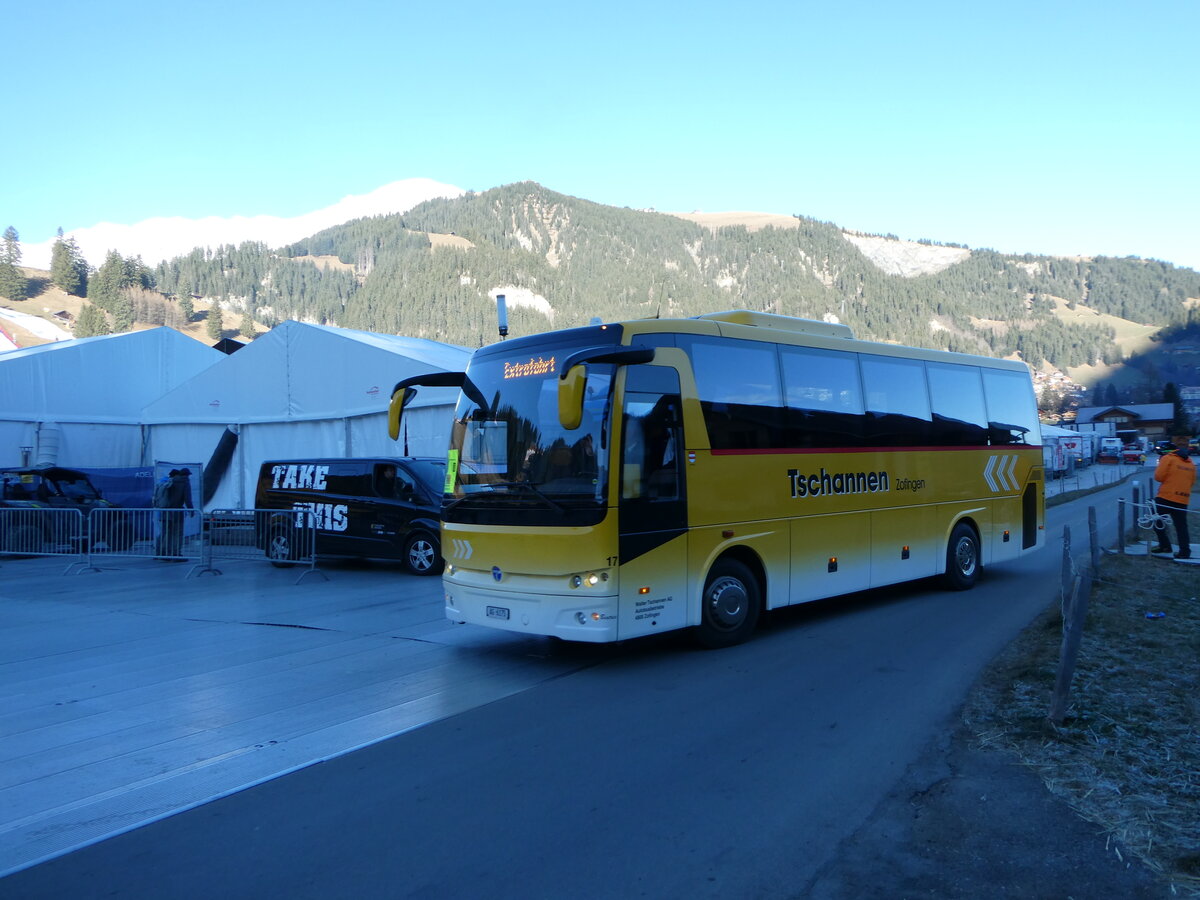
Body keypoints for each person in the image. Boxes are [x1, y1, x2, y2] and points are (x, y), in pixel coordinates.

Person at [1151, 434, 1195, 560]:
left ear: (1175, 446)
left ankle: (1164, 545)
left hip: (1166, 497)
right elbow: (1191, 482)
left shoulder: (1168, 458)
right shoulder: (1191, 464)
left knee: (1156, 519)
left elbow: (1158, 477)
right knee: (1181, 527)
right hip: (1183, 499)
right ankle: (1185, 551)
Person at [155, 468, 194, 560]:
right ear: (186, 475)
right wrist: (191, 510)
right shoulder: (184, 482)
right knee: (177, 533)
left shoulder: (169, 481)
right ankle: (175, 553)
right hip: (177, 512)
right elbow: (187, 499)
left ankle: (160, 553)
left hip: (165, 511)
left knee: (164, 533)